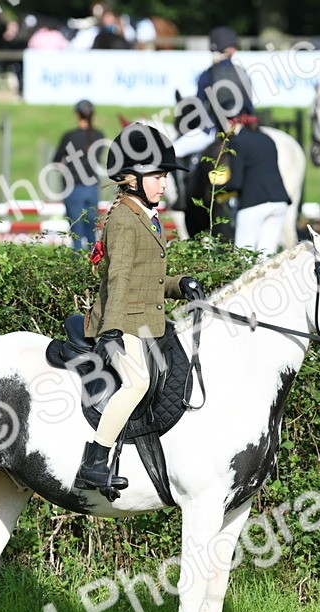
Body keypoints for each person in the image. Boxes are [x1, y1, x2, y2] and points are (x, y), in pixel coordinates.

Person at [74, 124, 201, 497]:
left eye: (164, 176)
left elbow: (147, 278)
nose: (164, 184)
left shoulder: (145, 214)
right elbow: (119, 278)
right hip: (124, 321)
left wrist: (180, 285)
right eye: (158, 176)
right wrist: (110, 330)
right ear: (131, 178)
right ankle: (94, 462)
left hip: (145, 319)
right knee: (137, 382)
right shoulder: (125, 220)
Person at [173, 26, 255, 159]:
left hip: (214, 130)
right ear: (232, 49)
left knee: (174, 150)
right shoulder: (242, 72)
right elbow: (250, 106)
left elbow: (200, 106)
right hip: (243, 128)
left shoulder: (207, 74)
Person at [221, 119, 291, 256]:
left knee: (242, 256)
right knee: (266, 257)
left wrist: (217, 188)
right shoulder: (267, 138)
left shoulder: (237, 141)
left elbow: (236, 183)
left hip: (253, 203)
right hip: (279, 202)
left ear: (231, 122)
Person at [52, 99, 106, 251]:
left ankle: (77, 270)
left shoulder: (69, 136)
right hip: (92, 188)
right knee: (91, 234)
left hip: (73, 187)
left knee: (76, 234)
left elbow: (56, 160)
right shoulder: (99, 135)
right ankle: (93, 268)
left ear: (77, 114)